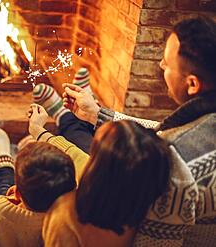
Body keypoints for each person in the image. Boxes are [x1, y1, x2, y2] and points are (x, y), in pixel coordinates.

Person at [60, 16, 216, 245]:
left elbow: (149, 240)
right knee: (83, 132)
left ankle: (63, 122)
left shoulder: (173, 166)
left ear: (192, 84)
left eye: (166, 62)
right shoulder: (198, 127)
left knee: (80, 143)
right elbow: (163, 133)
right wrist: (98, 115)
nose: (161, 65)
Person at [28, 104, 171, 247]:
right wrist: (39, 132)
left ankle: (65, 119)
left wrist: (37, 131)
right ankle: (65, 118)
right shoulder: (149, 207)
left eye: (94, 146)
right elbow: (75, 155)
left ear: (99, 166)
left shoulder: (66, 214)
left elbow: (79, 158)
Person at [0, 129, 76, 247]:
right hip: (11, 218)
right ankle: (2, 155)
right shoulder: (69, 224)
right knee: (4, 185)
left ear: (16, 192)